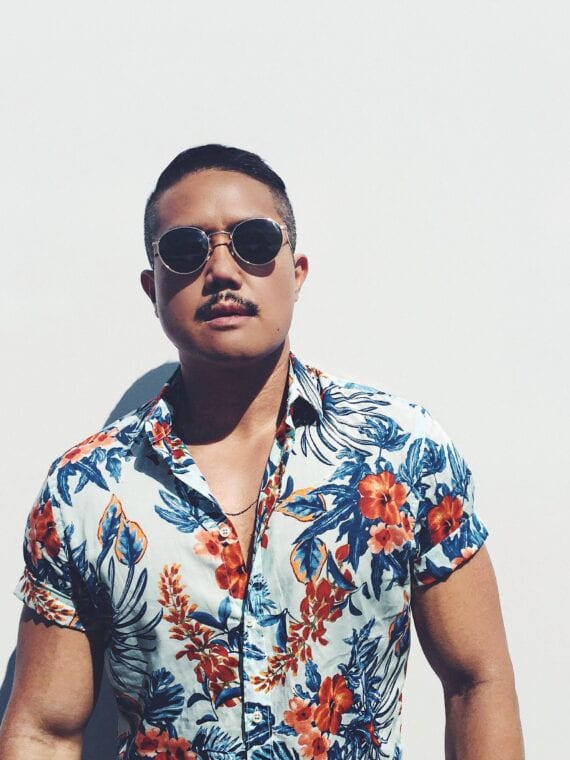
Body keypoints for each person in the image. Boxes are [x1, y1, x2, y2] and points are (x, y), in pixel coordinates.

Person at [0, 145, 524, 759]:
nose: (222, 270)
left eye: (253, 241)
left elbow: (476, 681)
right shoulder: (86, 489)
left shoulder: (403, 451)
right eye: (186, 250)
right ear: (152, 287)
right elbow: (45, 729)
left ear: (296, 272)